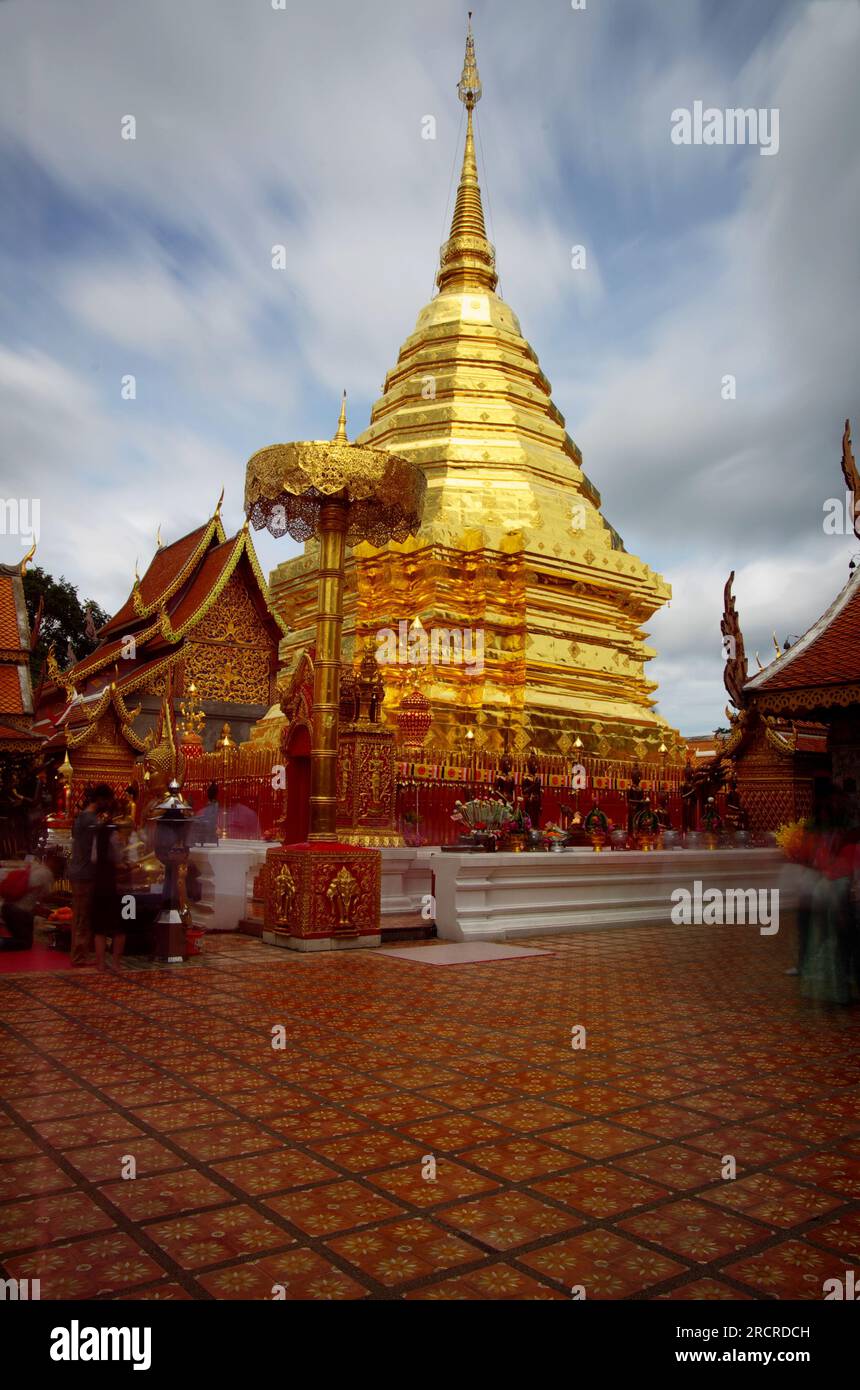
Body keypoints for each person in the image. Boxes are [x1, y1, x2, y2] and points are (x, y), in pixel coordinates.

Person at [68, 784, 112, 968]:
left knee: (80, 915)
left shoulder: (83, 817)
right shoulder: (90, 820)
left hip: (78, 871)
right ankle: (79, 956)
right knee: (83, 917)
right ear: (100, 799)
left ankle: (80, 953)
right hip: (85, 873)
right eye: (107, 800)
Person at [91, 809, 127, 973]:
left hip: (98, 884)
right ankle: (116, 964)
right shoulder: (115, 836)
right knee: (120, 927)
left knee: (100, 928)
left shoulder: (97, 835)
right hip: (117, 886)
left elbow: (93, 858)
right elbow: (118, 859)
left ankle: (100, 963)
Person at [0, 857, 53, 951]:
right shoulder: (47, 874)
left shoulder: (31, 867)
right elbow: (45, 896)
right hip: (20, 912)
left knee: (20, 938)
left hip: (6, 907)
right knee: (24, 943)